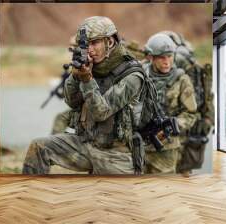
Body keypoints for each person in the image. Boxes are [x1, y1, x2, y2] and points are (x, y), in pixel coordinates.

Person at [22, 16, 146, 175]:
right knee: (39, 147)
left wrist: (87, 79)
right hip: (85, 143)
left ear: (110, 42)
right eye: (86, 44)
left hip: (115, 154)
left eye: (94, 43)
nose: (90, 50)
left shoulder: (132, 75)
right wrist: (75, 76)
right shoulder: (92, 64)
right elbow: (71, 102)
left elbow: (102, 112)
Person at [142, 33, 199, 175]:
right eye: (162, 57)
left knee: (163, 188)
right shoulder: (139, 75)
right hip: (138, 144)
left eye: (170, 56)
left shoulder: (182, 80)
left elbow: (191, 113)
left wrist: (173, 124)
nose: (167, 61)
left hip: (166, 148)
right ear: (151, 57)